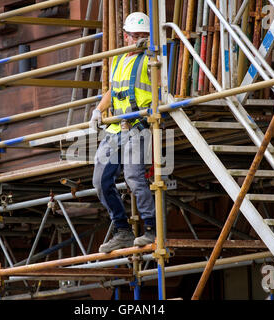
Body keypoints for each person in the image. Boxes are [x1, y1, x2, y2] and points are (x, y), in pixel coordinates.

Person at [90, 12, 156, 253]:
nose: (139, 40)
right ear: (126, 36)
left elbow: (161, 84)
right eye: (135, 36)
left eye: (144, 36)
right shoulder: (118, 60)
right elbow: (113, 90)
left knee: (134, 177)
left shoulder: (151, 59)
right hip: (116, 128)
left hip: (138, 125)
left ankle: (151, 229)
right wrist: (98, 110)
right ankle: (122, 230)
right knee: (100, 180)